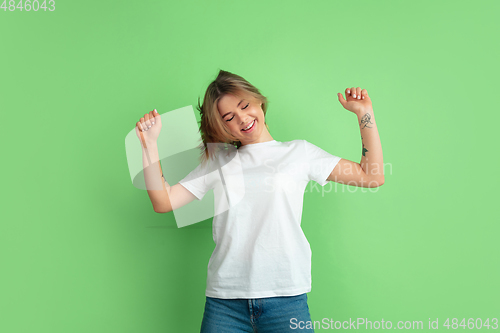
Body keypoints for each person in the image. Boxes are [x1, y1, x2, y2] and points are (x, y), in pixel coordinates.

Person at [134, 70, 385, 332]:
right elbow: (163, 201)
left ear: (258, 101)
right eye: (229, 117)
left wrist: (364, 114)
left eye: (245, 106)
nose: (242, 119)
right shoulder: (218, 160)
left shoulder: (299, 153)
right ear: (222, 126)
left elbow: (372, 176)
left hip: (286, 298)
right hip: (224, 304)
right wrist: (149, 145)